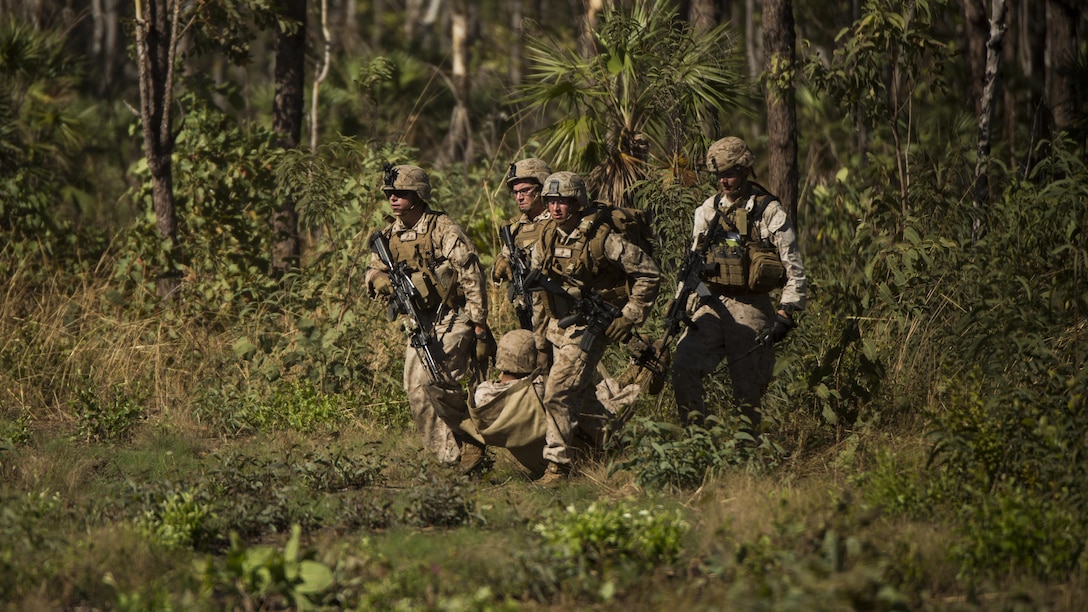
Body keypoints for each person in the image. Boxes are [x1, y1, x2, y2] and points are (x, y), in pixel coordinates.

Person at [531, 171, 661, 484]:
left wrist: (629, 315)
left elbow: (649, 273)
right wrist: (539, 337)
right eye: (551, 201)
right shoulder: (548, 233)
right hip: (557, 325)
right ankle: (619, 446)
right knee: (584, 398)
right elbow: (538, 284)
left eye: (563, 201)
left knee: (558, 393)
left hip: (589, 325)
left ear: (577, 202)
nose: (556, 207)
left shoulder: (603, 237)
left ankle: (557, 467)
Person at [670, 137, 807, 433]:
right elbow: (692, 264)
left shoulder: (767, 211)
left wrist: (786, 310)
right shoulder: (706, 210)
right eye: (719, 175)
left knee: (748, 391)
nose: (724, 180)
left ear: (744, 170)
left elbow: (793, 266)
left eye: (730, 173)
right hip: (712, 302)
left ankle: (746, 452)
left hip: (752, 304)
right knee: (683, 366)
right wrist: (682, 304)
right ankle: (699, 441)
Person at [364, 163, 494, 474]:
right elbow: (372, 270)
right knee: (416, 388)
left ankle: (471, 442)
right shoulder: (387, 236)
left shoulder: (442, 228)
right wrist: (378, 280)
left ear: (418, 195)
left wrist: (478, 326)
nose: (393, 199)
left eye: (401, 194)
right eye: (390, 194)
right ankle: (452, 458)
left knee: (440, 383)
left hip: (452, 316)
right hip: (419, 321)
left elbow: (471, 273)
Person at [492, 158, 553, 368]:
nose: (519, 196)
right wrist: (501, 264)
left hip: (556, 313)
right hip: (527, 310)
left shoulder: (557, 223)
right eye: (515, 192)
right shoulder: (517, 228)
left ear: (542, 188)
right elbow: (499, 267)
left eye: (525, 190)